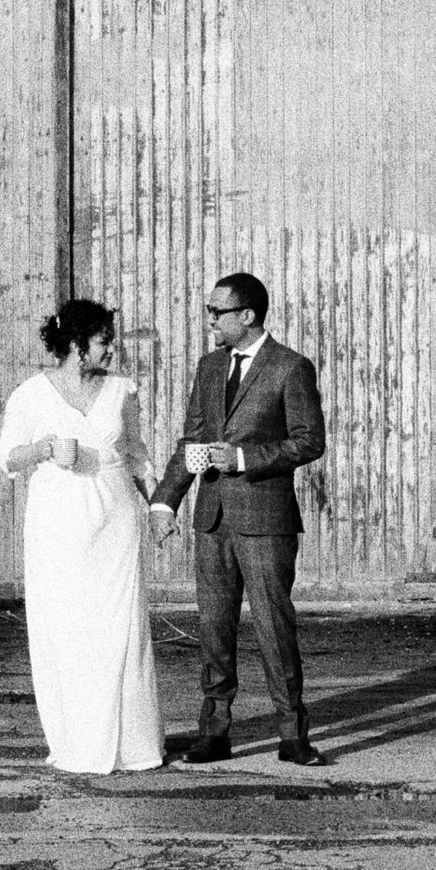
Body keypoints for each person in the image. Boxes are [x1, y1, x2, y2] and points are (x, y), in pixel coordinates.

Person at [150, 273, 327, 766]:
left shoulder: (290, 367)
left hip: (265, 521)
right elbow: (192, 443)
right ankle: (215, 731)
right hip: (212, 520)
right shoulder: (209, 368)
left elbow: (309, 440)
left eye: (217, 312)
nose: (209, 320)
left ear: (247, 315)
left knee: (274, 625)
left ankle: (293, 735)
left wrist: (243, 459)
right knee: (213, 628)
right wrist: (166, 503)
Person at [0, 298, 165, 774]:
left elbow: (136, 455)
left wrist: (157, 507)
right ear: (75, 346)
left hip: (116, 523)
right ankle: (79, 743)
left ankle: (132, 746)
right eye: (103, 341)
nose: (111, 349)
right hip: (57, 526)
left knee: (121, 630)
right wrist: (46, 448)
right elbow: (7, 457)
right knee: (67, 631)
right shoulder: (30, 393)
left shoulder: (122, 391)